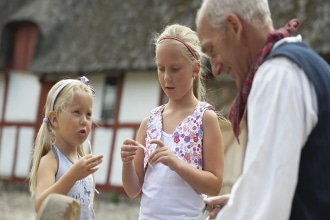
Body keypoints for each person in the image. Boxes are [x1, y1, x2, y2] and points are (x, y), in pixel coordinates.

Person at [196, 0, 330, 219]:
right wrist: (240, 202)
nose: (216, 68)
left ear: (234, 26)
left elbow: (267, 211)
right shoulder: (305, 66)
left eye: (212, 50)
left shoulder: (277, 77)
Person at [120, 24, 224, 220]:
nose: (167, 77)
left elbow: (214, 184)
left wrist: (176, 164)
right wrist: (126, 162)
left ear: (195, 69)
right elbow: (133, 190)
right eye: (161, 68)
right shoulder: (149, 122)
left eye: (175, 69)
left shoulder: (205, 118)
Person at [29, 76, 103, 220]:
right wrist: (72, 175)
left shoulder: (83, 163)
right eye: (77, 112)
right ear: (54, 119)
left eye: (89, 114)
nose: (84, 121)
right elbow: (40, 205)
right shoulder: (51, 160)